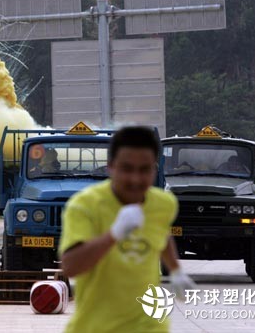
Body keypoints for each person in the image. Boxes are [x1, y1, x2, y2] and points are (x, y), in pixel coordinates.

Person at [59, 126, 195, 333]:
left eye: (144, 170)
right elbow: (70, 267)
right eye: (127, 169)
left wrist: (175, 270)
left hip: (150, 325)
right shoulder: (84, 206)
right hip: (96, 327)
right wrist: (114, 234)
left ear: (154, 169)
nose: (135, 179)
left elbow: (161, 233)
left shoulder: (164, 204)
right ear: (110, 167)